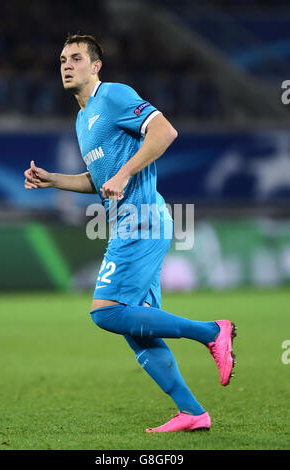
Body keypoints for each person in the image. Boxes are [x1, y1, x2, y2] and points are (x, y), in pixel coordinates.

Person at [24, 34, 237, 433]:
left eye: (75, 58)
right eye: (62, 59)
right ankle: (192, 412)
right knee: (136, 327)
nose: (66, 65)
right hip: (127, 222)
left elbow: (165, 133)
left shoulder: (115, 96)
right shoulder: (82, 119)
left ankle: (213, 331)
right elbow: (98, 180)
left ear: (96, 65)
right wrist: (52, 179)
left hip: (142, 220)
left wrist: (125, 173)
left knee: (106, 313)